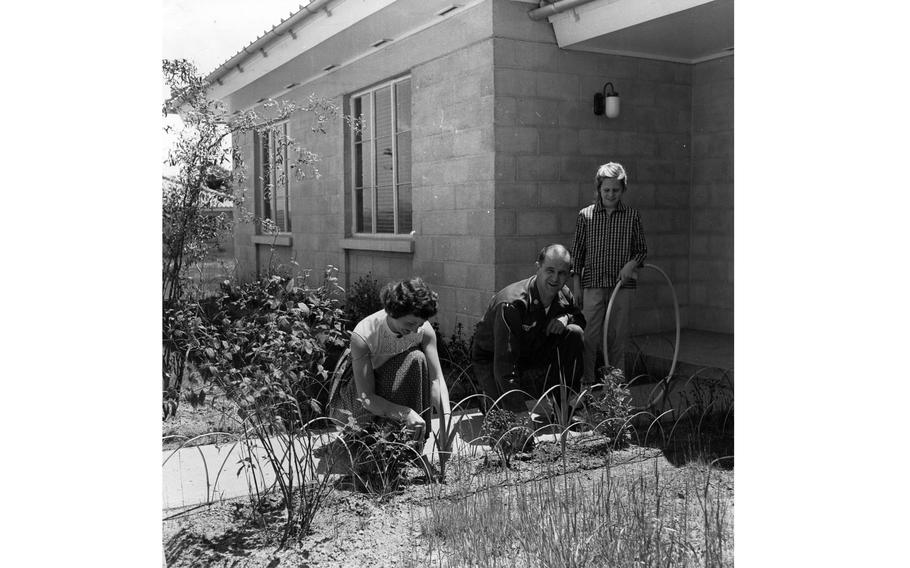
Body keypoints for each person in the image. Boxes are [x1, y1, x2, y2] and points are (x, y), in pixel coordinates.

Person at [332, 277, 451, 451]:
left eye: (420, 324)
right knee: (409, 363)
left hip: (394, 383)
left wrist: (446, 422)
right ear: (392, 312)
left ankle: (411, 445)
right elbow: (366, 398)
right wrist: (406, 413)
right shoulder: (365, 334)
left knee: (417, 358)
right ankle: (373, 444)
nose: (416, 330)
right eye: (410, 323)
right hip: (359, 396)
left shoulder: (423, 331)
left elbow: (436, 381)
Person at [471, 244, 586, 413]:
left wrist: (565, 318)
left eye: (562, 273)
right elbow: (504, 364)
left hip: (531, 354)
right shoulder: (512, 303)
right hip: (494, 361)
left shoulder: (564, 294)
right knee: (503, 417)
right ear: (538, 268)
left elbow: (580, 320)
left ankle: (562, 405)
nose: (555, 278)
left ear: (569, 274)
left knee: (574, 332)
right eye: (550, 270)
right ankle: (488, 399)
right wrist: (520, 414)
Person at [571, 162, 648, 384]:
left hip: (620, 287)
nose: (611, 194)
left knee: (617, 338)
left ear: (623, 190)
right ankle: (586, 383)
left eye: (615, 190)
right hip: (592, 285)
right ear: (599, 189)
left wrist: (630, 265)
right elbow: (578, 253)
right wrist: (577, 286)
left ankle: (616, 390)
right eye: (606, 190)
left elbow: (642, 250)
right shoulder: (586, 215)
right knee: (589, 337)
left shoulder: (632, 216)